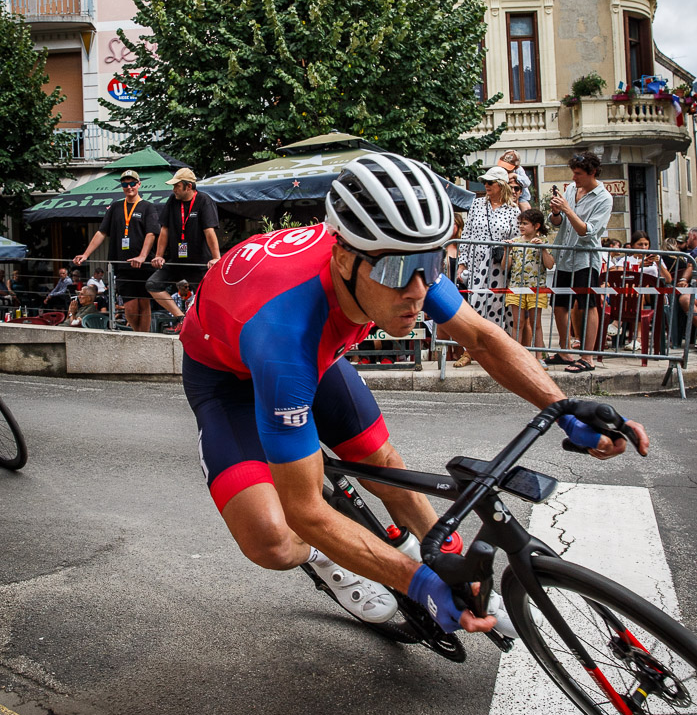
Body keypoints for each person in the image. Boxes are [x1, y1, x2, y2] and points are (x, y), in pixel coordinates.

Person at [178, 152, 648, 642]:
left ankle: (454, 569)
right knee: (272, 539)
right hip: (229, 374)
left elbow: (483, 339)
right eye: (402, 270)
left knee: (385, 466)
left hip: (312, 347)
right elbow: (305, 511)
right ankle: (326, 561)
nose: (419, 291)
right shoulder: (285, 335)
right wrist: (414, 581)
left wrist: (565, 408)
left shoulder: (396, 258)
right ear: (343, 259)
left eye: (432, 261)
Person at [546, 152, 613, 373]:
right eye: (573, 173)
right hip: (565, 255)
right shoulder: (572, 189)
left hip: (585, 257)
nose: (574, 178)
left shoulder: (603, 198)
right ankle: (565, 352)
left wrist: (567, 209)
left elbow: (587, 232)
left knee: (587, 306)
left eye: (578, 174)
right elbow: (559, 223)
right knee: (559, 305)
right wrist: (556, 212)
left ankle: (588, 357)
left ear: (592, 173)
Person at [72, 170, 160, 332]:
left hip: (144, 265)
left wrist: (142, 256)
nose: (129, 187)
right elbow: (101, 232)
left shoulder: (148, 207)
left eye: (132, 183)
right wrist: (86, 254)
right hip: (122, 264)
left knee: (144, 302)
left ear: (139, 184)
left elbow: (151, 233)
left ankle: (144, 337)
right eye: (125, 184)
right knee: (131, 307)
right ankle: (138, 334)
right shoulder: (116, 207)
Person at [455, 166, 518, 363]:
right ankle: (469, 351)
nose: (486, 186)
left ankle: (496, 351)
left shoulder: (512, 209)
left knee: (498, 308)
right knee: (474, 307)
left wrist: (509, 252)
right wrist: (462, 264)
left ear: (500, 185)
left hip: (499, 266)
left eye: (490, 182)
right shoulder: (477, 204)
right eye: (485, 182)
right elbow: (467, 235)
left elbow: (516, 238)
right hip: (476, 263)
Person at [147, 168, 221, 330]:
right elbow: (164, 230)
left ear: (188, 186)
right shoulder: (173, 201)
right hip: (177, 260)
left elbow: (209, 231)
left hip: (199, 262)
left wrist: (216, 258)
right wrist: (159, 255)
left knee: (206, 297)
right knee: (153, 284)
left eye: (177, 186)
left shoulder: (203, 200)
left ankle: (205, 328)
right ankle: (181, 317)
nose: (173, 189)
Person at [501, 209, 555, 365]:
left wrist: (543, 248)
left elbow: (550, 264)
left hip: (536, 289)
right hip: (516, 287)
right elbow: (506, 267)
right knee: (518, 324)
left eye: (525, 223)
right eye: (520, 223)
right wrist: (507, 251)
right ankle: (517, 357)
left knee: (536, 323)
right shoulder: (516, 241)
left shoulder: (543, 241)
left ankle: (539, 357)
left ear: (536, 225)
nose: (521, 226)